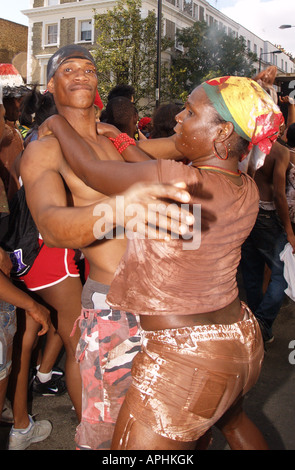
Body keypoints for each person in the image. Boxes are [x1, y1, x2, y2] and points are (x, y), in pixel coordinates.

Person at [36, 75, 283, 450]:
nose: (180, 117)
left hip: (187, 354)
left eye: (191, 111)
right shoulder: (243, 184)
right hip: (239, 340)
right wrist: (120, 139)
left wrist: (54, 123)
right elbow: (142, 164)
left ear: (222, 134)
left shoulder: (179, 178)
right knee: (233, 425)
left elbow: (90, 170)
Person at [20, 44, 193, 451]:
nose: (81, 74)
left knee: (164, 422)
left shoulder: (112, 138)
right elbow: (52, 226)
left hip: (162, 299)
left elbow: (177, 148)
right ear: (50, 85)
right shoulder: (45, 149)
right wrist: (118, 207)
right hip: (114, 305)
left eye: (89, 69)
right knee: (108, 435)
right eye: (68, 70)